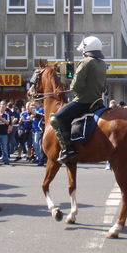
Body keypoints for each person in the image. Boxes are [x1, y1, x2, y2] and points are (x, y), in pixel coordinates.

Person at [49, 36, 107, 164]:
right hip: (97, 102)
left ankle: (68, 149)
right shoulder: (102, 64)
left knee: (56, 118)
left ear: (86, 49)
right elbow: (103, 86)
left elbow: (76, 86)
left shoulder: (85, 62)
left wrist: (72, 88)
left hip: (83, 101)